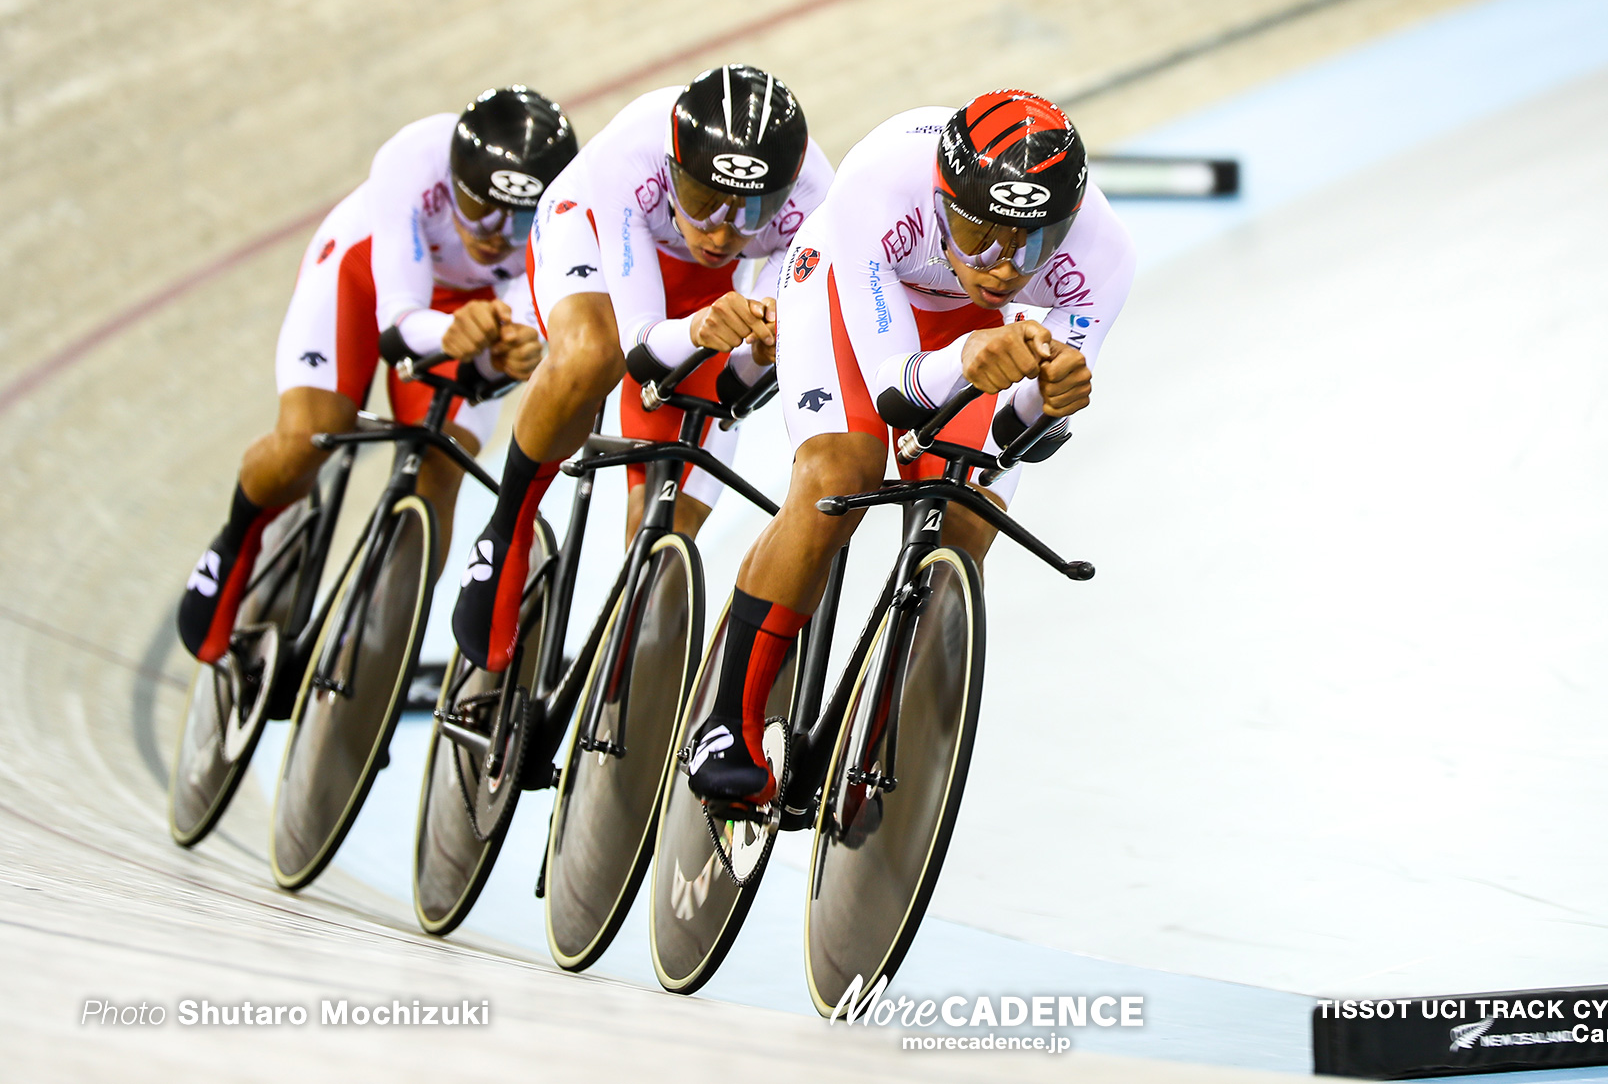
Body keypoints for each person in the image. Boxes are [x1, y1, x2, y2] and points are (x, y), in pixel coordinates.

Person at [685, 90, 1136, 805]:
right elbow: (897, 395)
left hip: (978, 337)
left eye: (1033, 243)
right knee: (840, 473)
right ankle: (724, 719)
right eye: (977, 230)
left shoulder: (1103, 256)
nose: (1002, 266)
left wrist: (1046, 401)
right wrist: (965, 358)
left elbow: (1020, 441)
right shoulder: (880, 181)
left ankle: (878, 751)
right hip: (850, 295)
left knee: (968, 517)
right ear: (939, 198)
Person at [451, 65, 834, 673]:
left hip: (700, 293)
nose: (721, 230)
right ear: (673, 171)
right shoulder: (632, 155)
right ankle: (507, 532)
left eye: (751, 210)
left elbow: (748, 383)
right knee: (590, 354)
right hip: (596, 235)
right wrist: (704, 329)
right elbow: (639, 349)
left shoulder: (816, 205)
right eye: (704, 200)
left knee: (666, 537)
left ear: (785, 194)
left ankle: (611, 689)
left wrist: (760, 351)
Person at [176, 86, 575, 664]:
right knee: (310, 435)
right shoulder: (413, 159)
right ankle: (237, 538)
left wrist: (507, 357)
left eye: (516, 223)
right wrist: (451, 332)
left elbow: (503, 360)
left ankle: (378, 659)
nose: (493, 234)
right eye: (478, 209)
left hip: (474, 309)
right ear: (453, 182)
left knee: (442, 465)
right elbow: (397, 324)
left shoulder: (564, 219)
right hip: (366, 275)